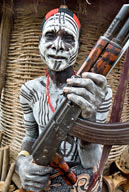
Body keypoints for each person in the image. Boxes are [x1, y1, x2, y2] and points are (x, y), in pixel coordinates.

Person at [16, 7, 112, 192]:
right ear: (39, 41)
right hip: (43, 181)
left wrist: (89, 118)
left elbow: (93, 161)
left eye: (68, 38)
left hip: (84, 181)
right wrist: (21, 163)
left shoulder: (98, 93)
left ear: (79, 45)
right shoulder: (29, 90)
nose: (58, 45)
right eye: (50, 35)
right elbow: (30, 137)